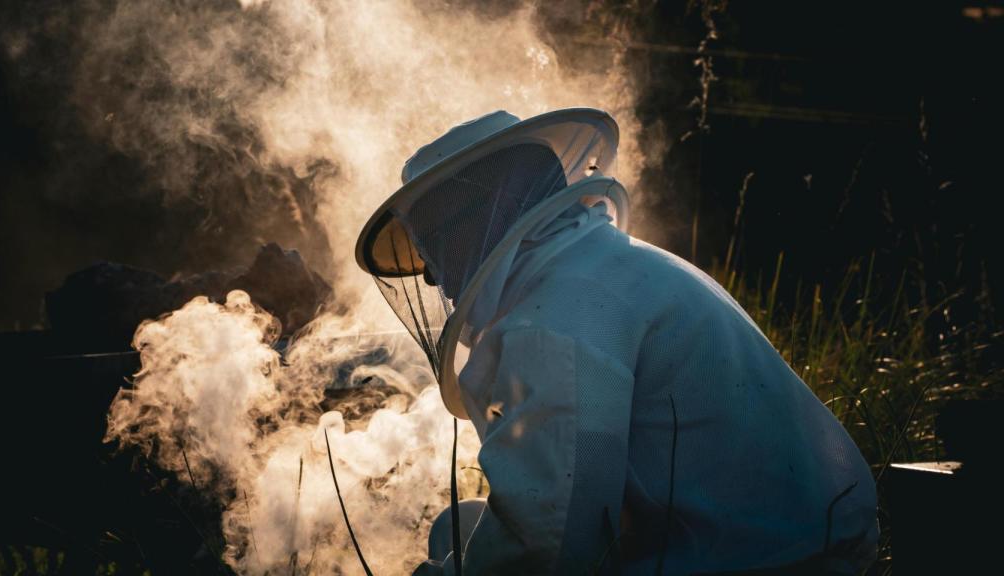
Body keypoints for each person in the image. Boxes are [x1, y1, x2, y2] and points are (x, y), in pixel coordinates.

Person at [354, 109, 878, 575]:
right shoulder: (610, 266)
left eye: (435, 242)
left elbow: (547, 544)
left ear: (484, 219)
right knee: (457, 526)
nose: (429, 275)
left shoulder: (552, 319)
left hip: (757, 559)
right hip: (801, 538)